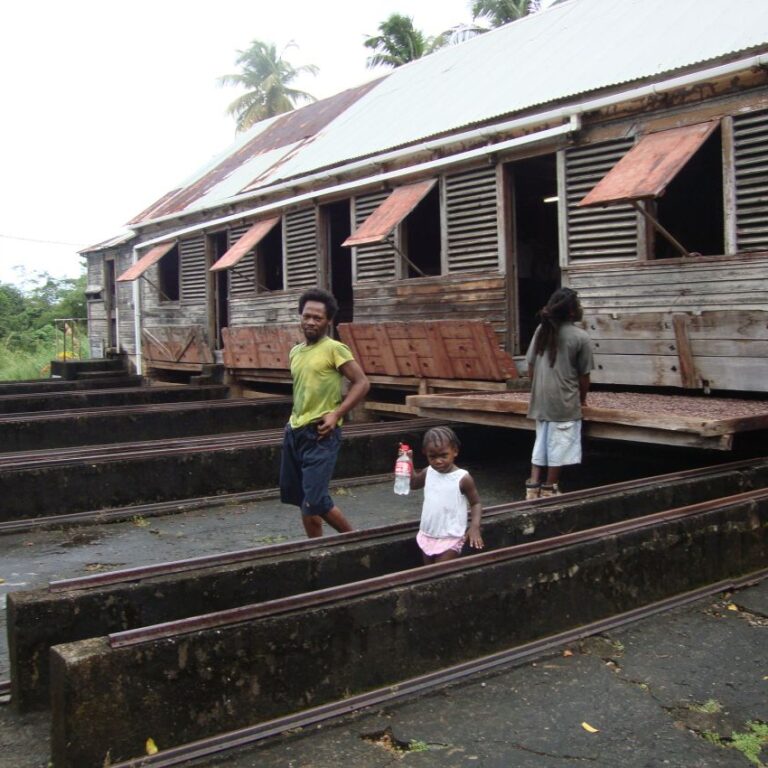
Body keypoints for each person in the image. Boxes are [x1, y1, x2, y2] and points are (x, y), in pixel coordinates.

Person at [279, 288, 370, 538]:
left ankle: (356, 541)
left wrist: (336, 414)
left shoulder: (335, 349)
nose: (310, 322)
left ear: (328, 321)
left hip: (321, 433)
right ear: (300, 316)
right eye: (307, 316)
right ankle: (316, 548)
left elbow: (362, 383)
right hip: (295, 432)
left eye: (317, 318)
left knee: (316, 499)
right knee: (303, 500)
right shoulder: (295, 352)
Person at [525, 287, 593, 499]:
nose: (581, 308)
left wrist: (536, 388)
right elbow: (584, 376)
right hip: (564, 401)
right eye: (578, 305)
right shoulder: (580, 337)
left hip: (541, 400)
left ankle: (533, 486)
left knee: (541, 442)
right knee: (559, 445)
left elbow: (530, 365)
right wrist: (582, 401)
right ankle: (549, 487)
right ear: (572, 312)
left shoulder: (541, 330)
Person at [409, 426, 483, 564]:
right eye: (433, 457)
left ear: (455, 451)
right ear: (425, 453)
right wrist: (408, 463)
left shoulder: (462, 478)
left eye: (444, 455)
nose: (438, 461)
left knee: (439, 574)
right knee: (428, 574)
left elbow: (476, 503)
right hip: (427, 534)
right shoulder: (428, 472)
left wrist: (474, 526)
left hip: (450, 537)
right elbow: (413, 484)